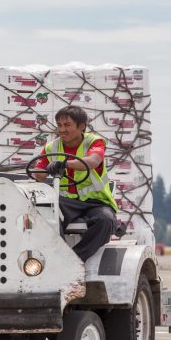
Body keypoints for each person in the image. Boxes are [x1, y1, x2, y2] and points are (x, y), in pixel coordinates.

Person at [31, 106, 118, 261]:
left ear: (82, 126)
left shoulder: (94, 142)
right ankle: (57, 256)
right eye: (59, 125)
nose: (62, 130)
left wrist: (64, 164)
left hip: (96, 203)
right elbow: (38, 173)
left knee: (106, 220)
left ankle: (72, 260)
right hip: (66, 203)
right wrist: (43, 171)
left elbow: (93, 161)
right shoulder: (52, 147)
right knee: (43, 215)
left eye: (67, 125)